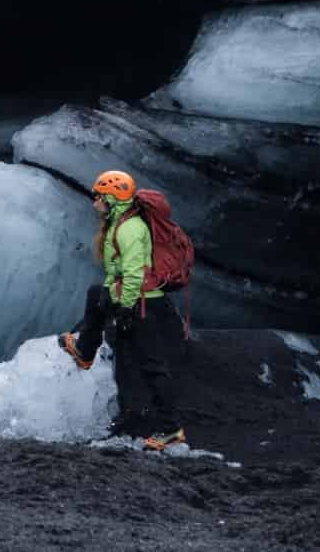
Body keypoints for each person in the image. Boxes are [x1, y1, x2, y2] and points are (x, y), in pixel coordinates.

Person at [59, 169, 187, 451]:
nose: (94, 202)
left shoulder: (128, 229)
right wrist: (113, 299)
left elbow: (133, 275)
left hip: (143, 302)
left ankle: (171, 429)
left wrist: (127, 309)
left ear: (113, 198)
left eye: (99, 196)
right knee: (97, 295)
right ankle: (84, 350)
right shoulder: (120, 222)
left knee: (152, 366)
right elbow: (115, 274)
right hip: (134, 298)